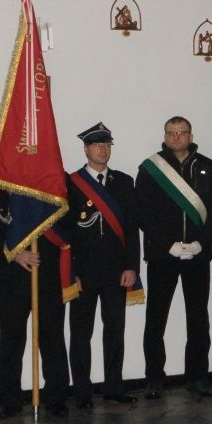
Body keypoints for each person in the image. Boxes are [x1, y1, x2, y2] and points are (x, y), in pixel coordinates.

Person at [136, 116, 212, 399]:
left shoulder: (206, 166)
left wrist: (202, 243)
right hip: (163, 256)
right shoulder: (150, 168)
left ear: (190, 135)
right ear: (165, 136)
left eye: (181, 132)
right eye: (171, 133)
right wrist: (168, 245)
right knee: (156, 317)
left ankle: (197, 377)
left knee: (198, 318)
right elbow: (143, 213)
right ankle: (154, 378)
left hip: (197, 255)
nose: (176, 137)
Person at [0, 185, 71, 419]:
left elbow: (67, 224)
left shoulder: (52, 178)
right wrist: (14, 252)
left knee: (52, 337)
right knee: (11, 340)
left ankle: (56, 398)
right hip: (11, 276)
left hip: (48, 273)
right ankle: (10, 400)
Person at [67, 123, 140, 408]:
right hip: (83, 272)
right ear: (86, 149)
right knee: (80, 334)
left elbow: (131, 228)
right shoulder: (71, 183)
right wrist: (71, 273)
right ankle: (82, 392)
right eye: (97, 145)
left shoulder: (124, 182)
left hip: (115, 271)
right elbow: (66, 232)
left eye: (107, 145)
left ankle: (114, 387)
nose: (103, 150)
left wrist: (132, 266)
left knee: (115, 331)